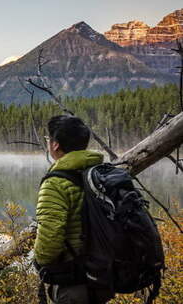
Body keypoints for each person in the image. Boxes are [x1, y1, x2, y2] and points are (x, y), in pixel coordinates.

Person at [34, 115, 113, 304]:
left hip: (73, 283)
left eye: (48, 139)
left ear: (55, 145)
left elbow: (50, 236)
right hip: (102, 277)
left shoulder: (55, 183)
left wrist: (40, 262)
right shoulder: (100, 173)